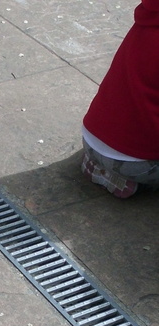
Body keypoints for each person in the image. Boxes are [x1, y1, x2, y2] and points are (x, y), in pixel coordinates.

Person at [82, 0, 159, 198]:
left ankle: (104, 168)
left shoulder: (148, 19)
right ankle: (127, 176)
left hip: (93, 139)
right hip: (137, 161)